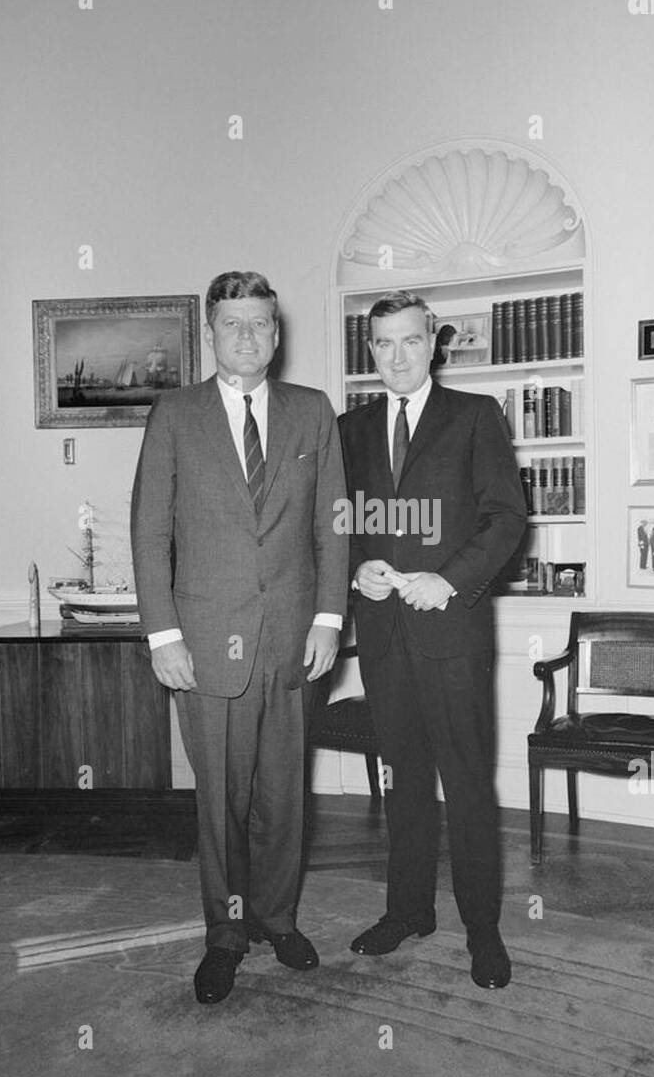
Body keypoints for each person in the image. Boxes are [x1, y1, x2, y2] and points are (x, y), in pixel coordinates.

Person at [131, 271, 348, 1004]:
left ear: (277, 334)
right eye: (233, 324)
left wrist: (328, 617)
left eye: (260, 323)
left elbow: (332, 523)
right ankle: (225, 936)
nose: (248, 336)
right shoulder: (174, 414)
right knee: (220, 801)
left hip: (292, 639)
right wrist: (162, 633)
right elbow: (150, 529)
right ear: (212, 333)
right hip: (204, 640)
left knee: (285, 796)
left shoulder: (313, 413)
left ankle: (277, 919)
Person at [338, 290, 527, 989]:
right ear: (371, 350)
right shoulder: (347, 428)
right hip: (385, 637)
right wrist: (359, 567)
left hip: (453, 633)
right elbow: (340, 521)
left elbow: (506, 519)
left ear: (434, 343)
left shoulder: (475, 417)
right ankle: (408, 910)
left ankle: (483, 930)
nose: (397, 356)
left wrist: (448, 580)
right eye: (383, 343)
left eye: (410, 341)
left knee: (469, 786)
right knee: (403, 784)